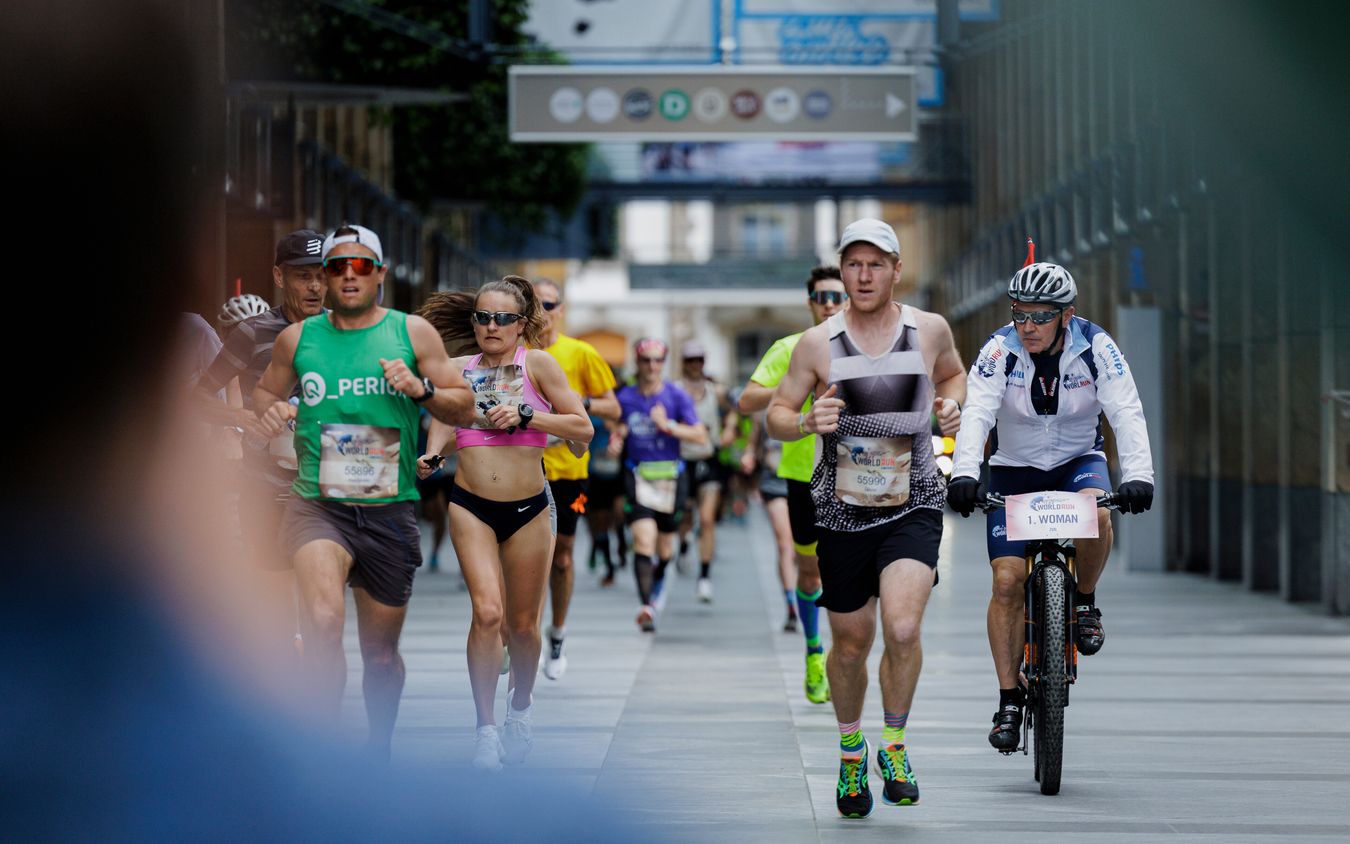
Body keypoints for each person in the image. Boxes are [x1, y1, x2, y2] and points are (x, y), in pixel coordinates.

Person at [252, 224, 475, 761]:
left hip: (388, 508)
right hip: (316, 506)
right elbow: (263, 392)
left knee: (380, 657)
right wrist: (271, 411)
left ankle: (378, 750)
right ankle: (326, 758)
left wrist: (420, 390)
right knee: (324, 625)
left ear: (379, 273)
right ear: (324, 278)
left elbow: (464, 406)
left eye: (360, 266)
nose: (347, 276)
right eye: (335, 267)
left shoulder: (412, 333)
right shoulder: (296, 340)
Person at [766, 219, 965, 817]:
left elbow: (953, 373)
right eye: (854, 263)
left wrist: (952, 404)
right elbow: (776, 412)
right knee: (851, 643)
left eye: (876, 263)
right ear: (842, 269)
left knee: (902, 628)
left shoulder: (928, 329)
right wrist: (804, 422)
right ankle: (852, 752)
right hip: (842, 511)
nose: (864, 274)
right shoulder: (816, 344)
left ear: (896, 269)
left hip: (915, 501)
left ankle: (895, 745)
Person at [945, 261, 1155, 753]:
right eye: (1020, 314)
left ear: (1067, 315)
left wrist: (1140, 475)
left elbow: (1126, 409)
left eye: (1041, 316)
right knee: (1006, 580)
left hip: (1077, 461)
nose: (1029, 326)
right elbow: (977, 410)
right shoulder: (999, 350)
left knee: (1098, 513)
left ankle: (1083, 601)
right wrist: (965, 474)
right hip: (1014, 468)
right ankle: (1008, 701)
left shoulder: (1097, 346)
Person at [417, 277, 593, 771]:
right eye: (481, 317)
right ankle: (485, 730)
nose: (490, 327)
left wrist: (527, 416)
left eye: (502, 318)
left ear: (521, 324)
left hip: (531, 507)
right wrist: (431, 454)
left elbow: (582, 428)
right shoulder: (457, 370)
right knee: (488, 615)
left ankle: (520, 711)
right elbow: (445, 427)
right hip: (470, 504)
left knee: (522, 627)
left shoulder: (538, 365)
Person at [197, 232, 329, 650]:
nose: (314, 286)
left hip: (326, 486)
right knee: (275, 603)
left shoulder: (346, 333)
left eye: (322, 276)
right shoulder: (253, 333)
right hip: (264, 483)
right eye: (302, 276)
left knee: (321, 604)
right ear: (278, 275)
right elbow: (198, 396)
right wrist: (242, 418)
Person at [738, 265, 847, 705]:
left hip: (859, 475)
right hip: (803, 475)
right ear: (810, 302)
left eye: (836, 296)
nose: (829, 304)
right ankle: (813, 650)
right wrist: (794, 384)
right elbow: (747, 400)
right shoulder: (791, 347)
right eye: (821, 296)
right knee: (810, 571)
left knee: (851, 571)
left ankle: (845, 653)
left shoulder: (867, 344)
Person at [531, 278, 621, 680]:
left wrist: (574, 404)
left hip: (569, 473)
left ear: (561, 309)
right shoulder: (516, 353)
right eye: (533, 304)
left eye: (548, 304)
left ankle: (557, 632)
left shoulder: (580, 353)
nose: (541, 312)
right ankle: (523, 634)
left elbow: (613, 408)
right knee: (525, 557)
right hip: (523, 469)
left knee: (562, 555)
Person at [608, 338, 708, 633]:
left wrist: (669, 426)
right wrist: (617, 439)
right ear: (637, 363)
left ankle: (658, 577)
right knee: (643, 540)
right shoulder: (625, 397)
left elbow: (700, 436)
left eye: (657, 360)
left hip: (671, 479)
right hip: (636, 476)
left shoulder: (676, 397)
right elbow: (616, 424)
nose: (652, 366)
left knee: (665, 549)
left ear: (664, 363)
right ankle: (646, 606)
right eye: (646, 360)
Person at [674, 341, 731, 602]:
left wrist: (729, 429)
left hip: (709, 459)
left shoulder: (715, 390)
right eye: (691, 360)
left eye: (699, 360)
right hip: (683, 459)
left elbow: (735, 411)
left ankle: (704, 576)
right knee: (684, 515)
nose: (696, 365)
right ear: (684, 362)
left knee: (707, 518)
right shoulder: (675, 390)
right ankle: (684, 545)